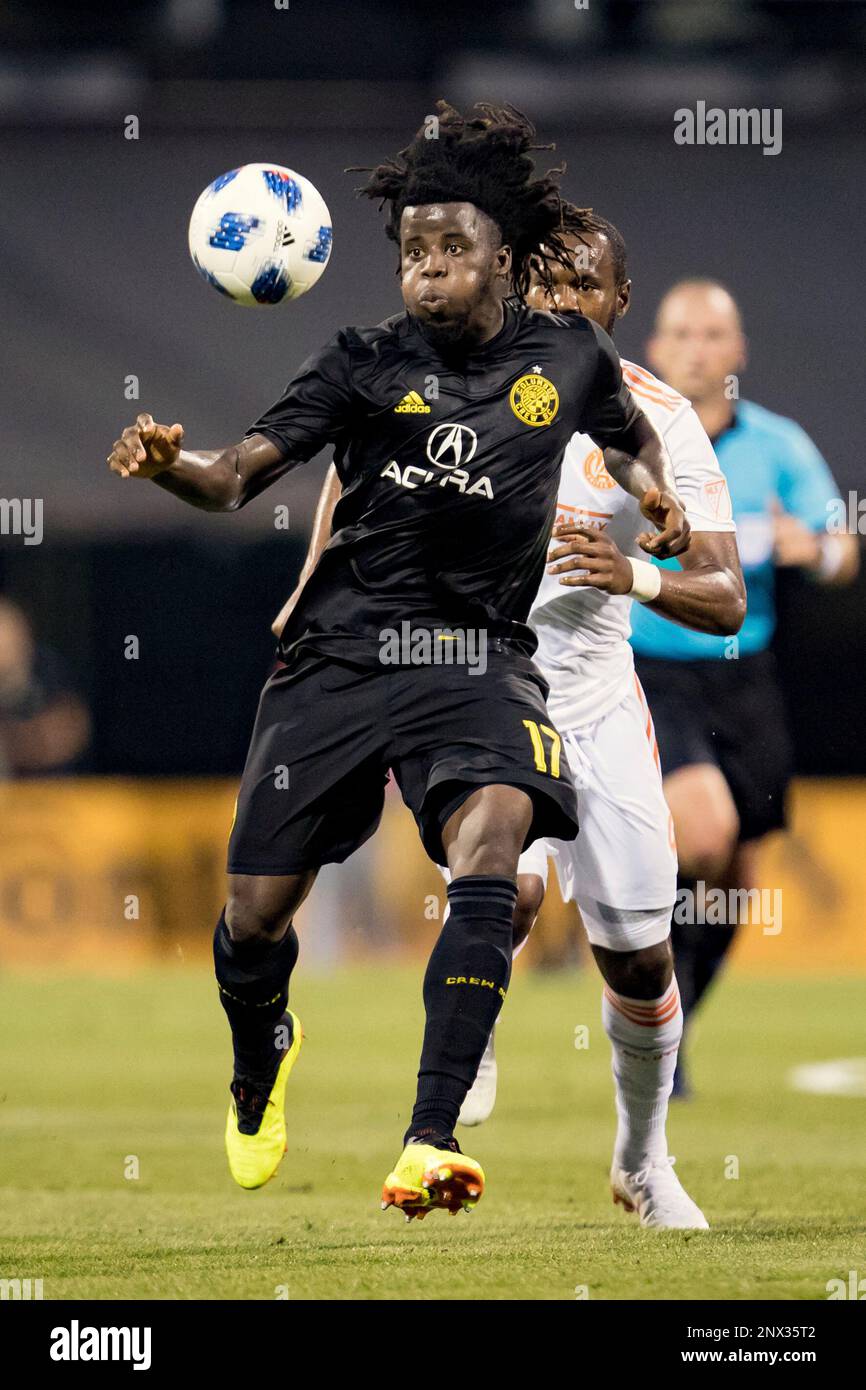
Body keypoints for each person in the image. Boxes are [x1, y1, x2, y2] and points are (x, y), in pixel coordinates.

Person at [105, 103, 689, 1221]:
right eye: (412, 251)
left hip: (476, 660)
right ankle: (259, 1053)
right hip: (337, 657)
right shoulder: (360, 360)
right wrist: (168, 467)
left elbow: (627, 435)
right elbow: (234, 478)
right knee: (252, 918)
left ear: (501, 259)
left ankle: (428, 1137)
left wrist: (653, 496)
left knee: (494, 840)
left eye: (450, 249)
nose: (427, 270)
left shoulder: (567, 355)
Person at [275, 205, 745, 1228]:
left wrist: (635, 574)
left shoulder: (656, 420)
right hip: (476, 681)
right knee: (506, 886)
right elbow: (353, 472)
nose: (564, 303)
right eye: (548, 285)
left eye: (586, 288)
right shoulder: (458, 380)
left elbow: (725, 593)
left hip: (597, 700)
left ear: (618, 304)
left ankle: (640, 1159)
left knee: (637, 955)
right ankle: (466, 1038)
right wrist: (314, 582)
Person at [634, 279, 858, 1095]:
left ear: (737, 354)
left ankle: (671, 1016)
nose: (697, 348)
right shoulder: (627, 440)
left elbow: (842, 554)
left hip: (748, 671)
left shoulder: (779, 444)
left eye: (712, 335)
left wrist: (817, 549)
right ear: (655, 351)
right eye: (682, 334)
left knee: (737, 878)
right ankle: (649, 1001)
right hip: (654, 665)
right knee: (702, 834)